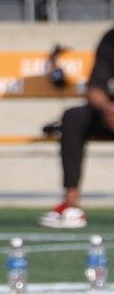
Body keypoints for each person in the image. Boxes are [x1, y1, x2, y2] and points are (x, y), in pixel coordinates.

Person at [41, 26, 114, 229]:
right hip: (109, 116)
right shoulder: (110, 39)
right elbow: (94, 89)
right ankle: (71, 203)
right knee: (73, 117)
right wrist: (108, 109)